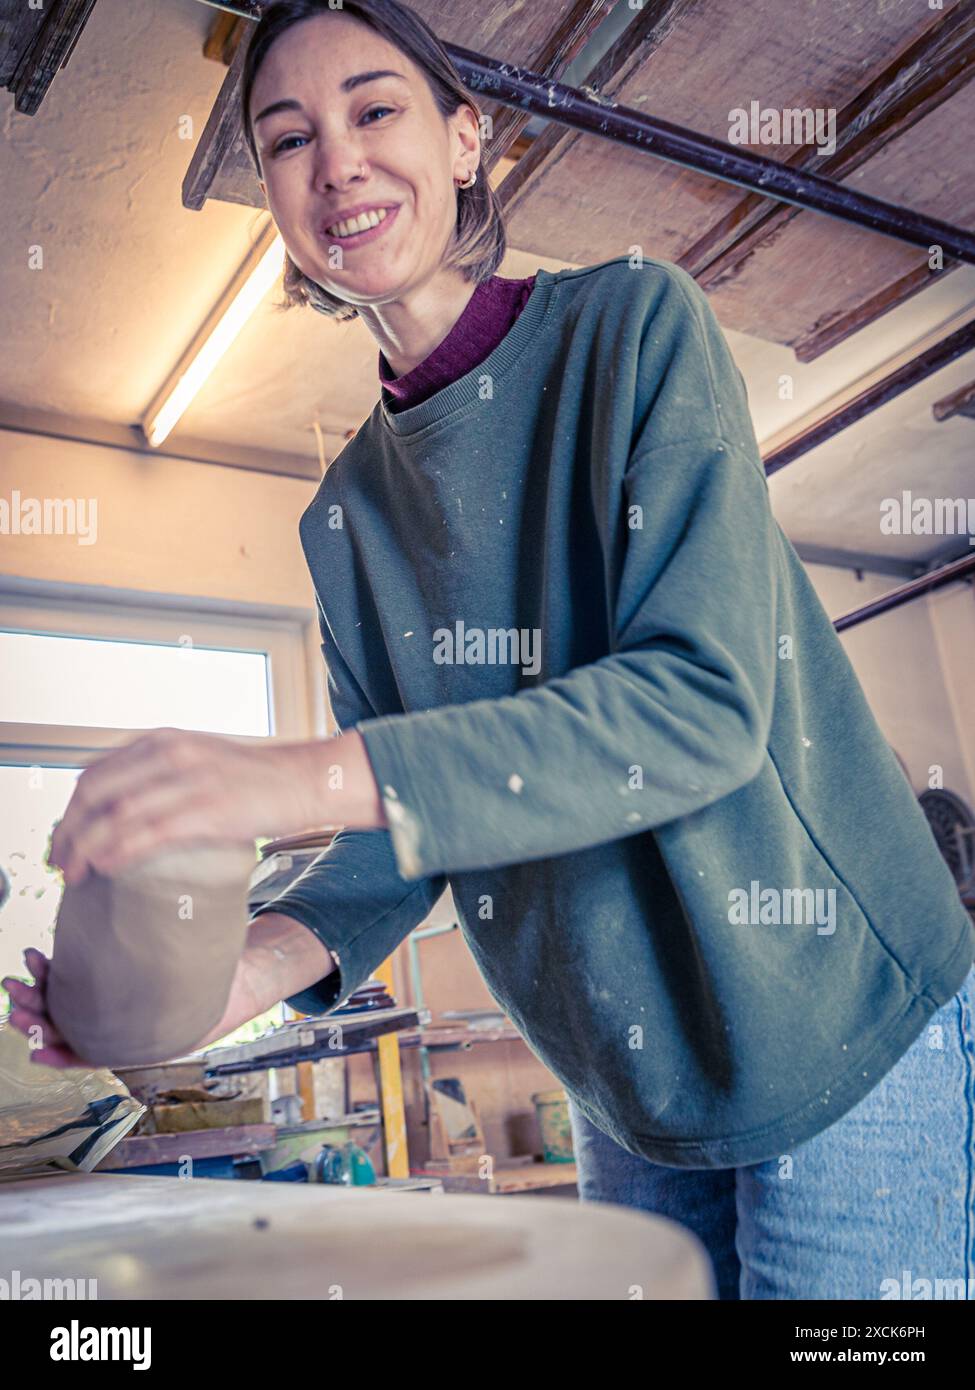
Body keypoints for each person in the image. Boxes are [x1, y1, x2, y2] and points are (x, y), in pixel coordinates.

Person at [6, 0, 973, 1300]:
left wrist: (282, 775)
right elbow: (391, 844)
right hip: (631, 1089)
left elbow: (695, 707)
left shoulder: (635, 329)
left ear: (465, 137)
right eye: (287, 139)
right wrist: (210, 986)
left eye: (373, 109)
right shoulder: (345, 515)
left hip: (837, 1021)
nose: (334, 160)